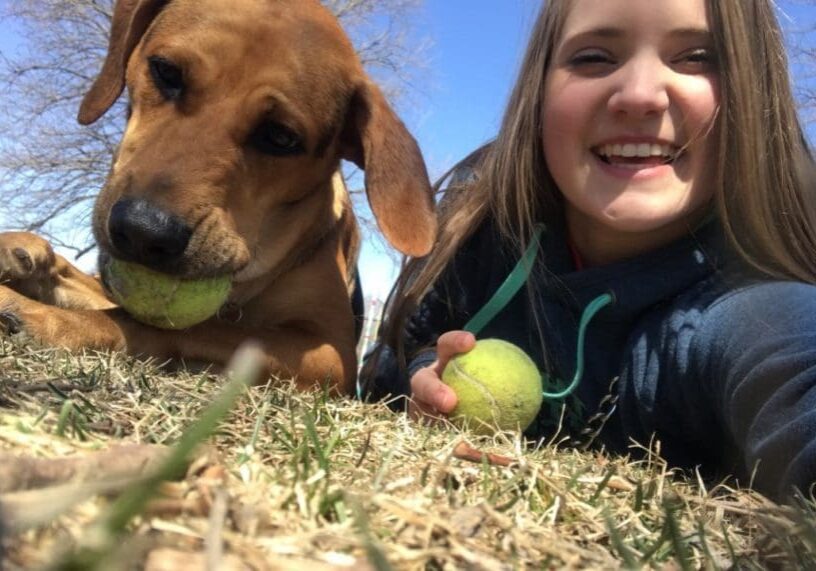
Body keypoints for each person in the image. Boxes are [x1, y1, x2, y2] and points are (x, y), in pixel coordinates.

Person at [359, 0, 816, 503]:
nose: (639, 96)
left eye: (697, 57)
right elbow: (404, 347)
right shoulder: (479, 217)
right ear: (538, 90)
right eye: (595, 57)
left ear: (757, 92)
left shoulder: (752, 315)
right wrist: (425, 372)